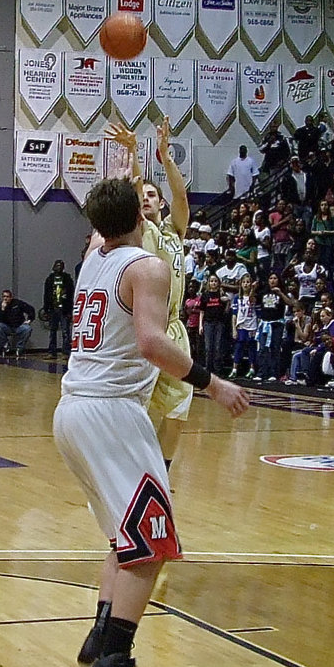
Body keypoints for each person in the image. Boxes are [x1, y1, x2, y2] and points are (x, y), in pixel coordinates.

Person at [55, 178, 248, 667]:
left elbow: (105, 220)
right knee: (153, 539)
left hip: (72, 410)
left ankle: (101, 633)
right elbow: (151, 342)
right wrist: (215, 384)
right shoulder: (148, 267)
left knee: (126, 534)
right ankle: (115, 661)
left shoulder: (94, 256)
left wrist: (119, 175)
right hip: (111, 413)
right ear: (141, 217)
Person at [108, 118, 193, 471]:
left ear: (160, 202)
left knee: (179, 409)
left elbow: (181, 195)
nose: (146, 198)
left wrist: (165, 155)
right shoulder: (140, 231)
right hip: (143, 328)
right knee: (133, 407)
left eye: (152, 196)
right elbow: (136, 185)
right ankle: (123, 469)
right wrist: (133, 152)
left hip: (173, 328)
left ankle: (161, 471)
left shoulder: (175, 231)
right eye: (142, 197)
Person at [42, 259, 75, 359]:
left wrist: (70, 310)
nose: (58, 267)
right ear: (53, 267)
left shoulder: (67, 279)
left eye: (60, 266)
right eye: (57, 266)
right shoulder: (49, 279)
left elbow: (70, 295)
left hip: (64, 309)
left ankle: (66, 352)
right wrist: (46, 309)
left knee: (66, 331)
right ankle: (52, 352)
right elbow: (46, 295)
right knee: (52, 331)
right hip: (53, 308)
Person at [0, 288, 35, 356]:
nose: (5, 298)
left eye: (7, 297)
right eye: (4, 296)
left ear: (11, 297)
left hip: (18, 326)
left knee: (27, 329)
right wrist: (2, 310)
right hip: (7, 327)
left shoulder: (18, 303)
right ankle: (5, 346)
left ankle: (19, 348)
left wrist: (29, 320)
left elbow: (30, 309)